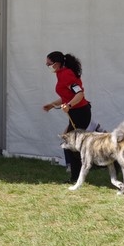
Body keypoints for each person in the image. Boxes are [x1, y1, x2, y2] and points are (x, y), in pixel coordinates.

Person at [43, 51, 91, 183]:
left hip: (80, 113)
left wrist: (69, 105)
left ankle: (77, 176)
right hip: (76, 112)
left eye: (49, 64)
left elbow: (79, 94)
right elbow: (66, 95)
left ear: (57, 63)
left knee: (71, 144)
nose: (48, 66)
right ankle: (76, 172)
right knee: (69, 141)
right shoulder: (61, 74)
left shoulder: (66, 75)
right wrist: (53, 105)